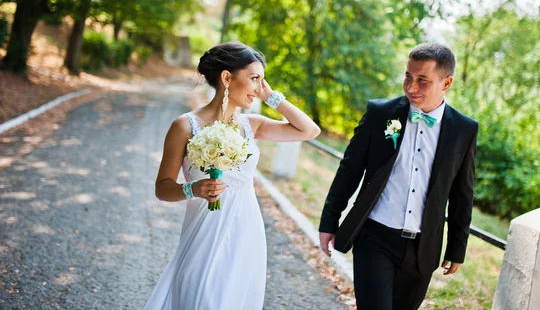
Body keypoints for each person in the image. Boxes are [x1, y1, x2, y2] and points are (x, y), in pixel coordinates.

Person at [144, 41, 320, 310]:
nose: (259, 88)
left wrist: (272, 97)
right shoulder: (184, 126)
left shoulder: (253, 125)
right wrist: (194, 189)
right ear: (227, 77)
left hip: (246, 234)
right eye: (254, 79)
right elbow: (162, 187)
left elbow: (309, 131)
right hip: (203, 232)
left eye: (262, 81)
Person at [318, 43, 478, 310]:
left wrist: (457, 246)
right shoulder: (380, 113)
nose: (411, 87)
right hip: (375, 238)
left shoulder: (464, 129)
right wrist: (329, 221)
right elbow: (350, 169)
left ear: (446, 82)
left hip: (422, 248)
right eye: (408, 76)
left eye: (422, 80)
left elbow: (463, 192)